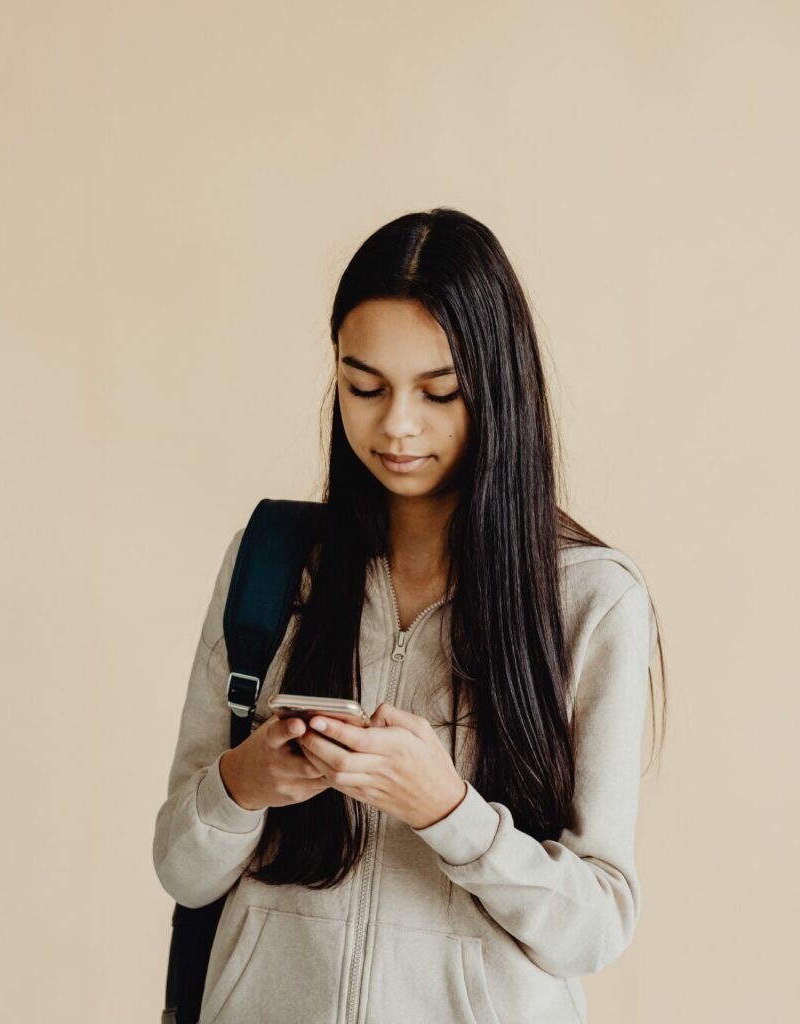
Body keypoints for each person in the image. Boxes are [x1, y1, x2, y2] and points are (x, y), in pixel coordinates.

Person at [153, 207, 667, 1024]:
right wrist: (241, 785)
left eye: (439, 392)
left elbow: (594, 925)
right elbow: (182, 871)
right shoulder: (272, 563)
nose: (395, 423)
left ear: (497, 388)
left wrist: (448, 811)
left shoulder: (591, 599)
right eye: (364, 386)